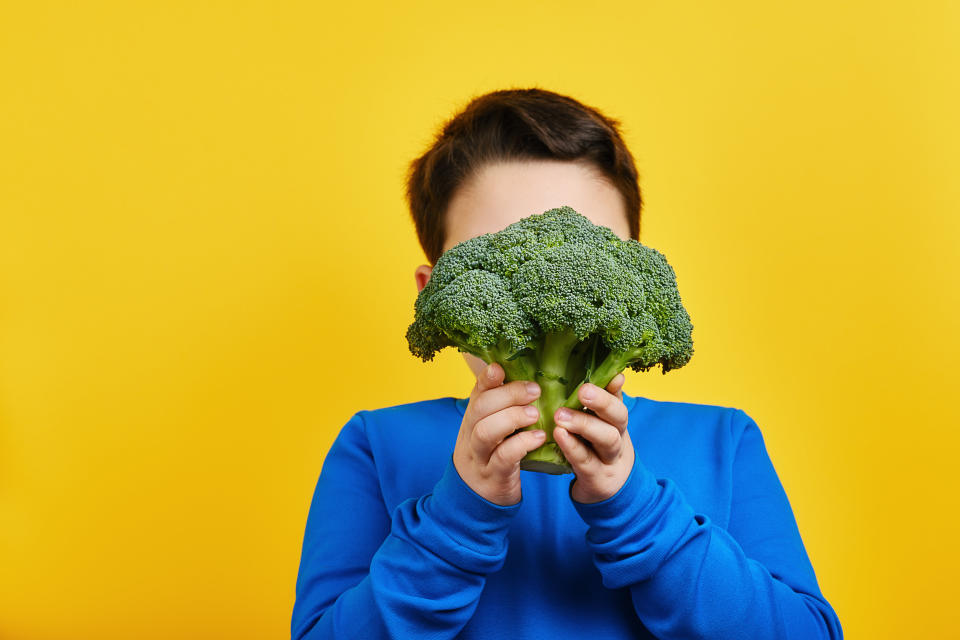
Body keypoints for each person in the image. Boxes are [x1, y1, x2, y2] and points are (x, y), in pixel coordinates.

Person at [290, 88, 843, 639]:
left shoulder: (724, 440)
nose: (543, 294)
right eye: (500, 258)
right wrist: (457, 516)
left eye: (590, 256)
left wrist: (637, 510)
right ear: (434, 290)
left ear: (636, 277)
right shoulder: (374, 444)